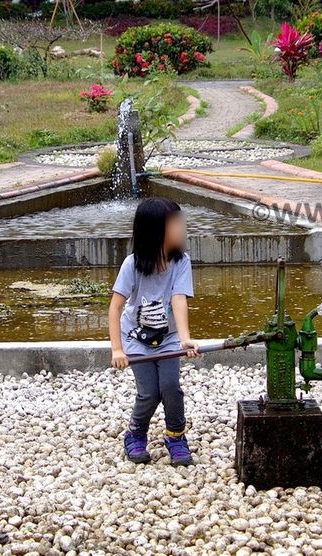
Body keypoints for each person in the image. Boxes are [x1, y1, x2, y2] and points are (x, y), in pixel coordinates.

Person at [109, 197, 199, 466]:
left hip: (169, 337)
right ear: (156, 230)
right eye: (176, 224)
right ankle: (136, 433)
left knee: (170, 387)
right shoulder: (132, 265)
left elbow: (179, 299)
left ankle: (176, 436)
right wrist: (117, 348)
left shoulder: (181, 262)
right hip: (136, 338)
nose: (182, 229)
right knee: (149, 392)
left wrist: (184, 338)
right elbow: (115, 309)